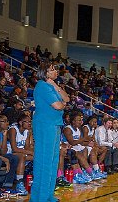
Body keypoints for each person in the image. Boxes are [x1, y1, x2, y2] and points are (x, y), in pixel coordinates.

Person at [30, 62, 70, 202]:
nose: (56, 71)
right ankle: (39, 197)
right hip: (45, 125)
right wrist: (63, 104)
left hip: (54, 125)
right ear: (45, 72)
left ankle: (48, 195)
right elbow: (59, 105)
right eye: (52, 69)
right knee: (44, 161)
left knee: (53, 161)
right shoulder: (42, 86)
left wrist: (56, 86)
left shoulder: (51, 86)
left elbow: (66, 98)